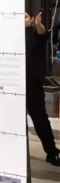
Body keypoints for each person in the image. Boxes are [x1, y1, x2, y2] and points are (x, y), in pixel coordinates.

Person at [25, 11, 60, 166]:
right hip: (16, 83)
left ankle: (52, 152)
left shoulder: (35, 33)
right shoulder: (13, 36)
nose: (23, 20)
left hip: (32, 84)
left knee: (40, 119)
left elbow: (42, 33)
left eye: (26, 17)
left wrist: (39, 25)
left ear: (32, 19)